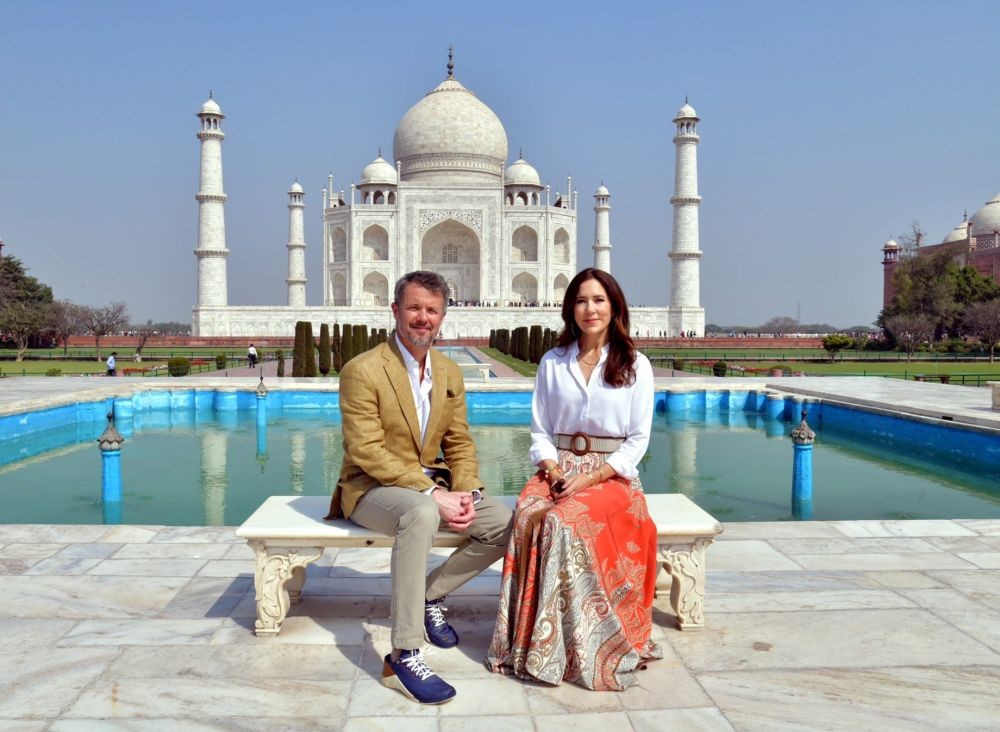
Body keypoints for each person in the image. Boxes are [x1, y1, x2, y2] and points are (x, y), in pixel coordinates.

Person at [326, 270, 513, 705]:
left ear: (443, 317)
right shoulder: (364, 370)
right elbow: (366, 451)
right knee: (421, 512)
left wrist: (467, 493)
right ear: (395, 311)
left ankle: (429, 594)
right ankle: (404, 653)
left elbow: (459, 442)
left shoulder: (448, 372)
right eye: (414, 308)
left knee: (507, 524)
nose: (422, 318)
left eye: (431, 310)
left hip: (432, 484)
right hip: (371, 488)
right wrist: (433, 495)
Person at [486, 268, 662, 691]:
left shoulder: (635, 364)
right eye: (582, 301)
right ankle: (529, 643)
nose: (591, 309)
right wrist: (552, 469)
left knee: (563, 522)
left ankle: (584, 645)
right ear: (571, 309)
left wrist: (590, 478)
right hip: (558, 468)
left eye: (599, 300)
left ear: (615, 306)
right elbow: (540, 430)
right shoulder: (554, 361)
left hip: (612, 477)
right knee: (529, 512)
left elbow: (638, 440)